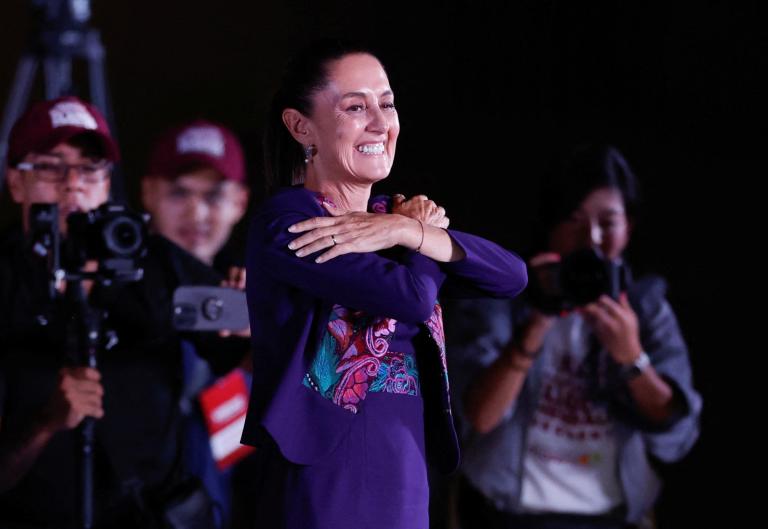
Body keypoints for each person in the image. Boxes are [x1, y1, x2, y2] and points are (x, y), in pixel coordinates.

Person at [238, 40, 528, 529]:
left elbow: (512, 277)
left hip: (405, 470)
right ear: (300, 126)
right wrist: (419, 237)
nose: (380, 122)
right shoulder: (289, 222)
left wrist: (407, 230)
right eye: (356, 106)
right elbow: (410, 298)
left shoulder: (393, 222)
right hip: (323, 478)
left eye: (387, 103)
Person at [0, 96, 247, 528]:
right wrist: (45, 422)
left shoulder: (157, 263)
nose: (72, 183)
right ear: (16, 182)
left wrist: (250, 328)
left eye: (90, 168)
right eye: (50, 166)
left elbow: (256, 358)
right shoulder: (7, 279)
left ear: (107, 181)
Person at [444, 145, 703, 529]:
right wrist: (537, 320)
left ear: (628, 227)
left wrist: (632, 357)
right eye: (574, 220)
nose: (591, 238)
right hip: (507, 513)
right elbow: (477, 419)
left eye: (608, 222)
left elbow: (678, 435)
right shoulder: (504, 295)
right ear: (551, 225)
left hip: (612, 516)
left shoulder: (646, 308)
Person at [142, 119, 254, 528]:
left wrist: (260, 333)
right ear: (148, 192)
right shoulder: (111, 296)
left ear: (240, 202)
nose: (197, 212)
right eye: (178, 192)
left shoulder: (254, 298)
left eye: (213, 195)